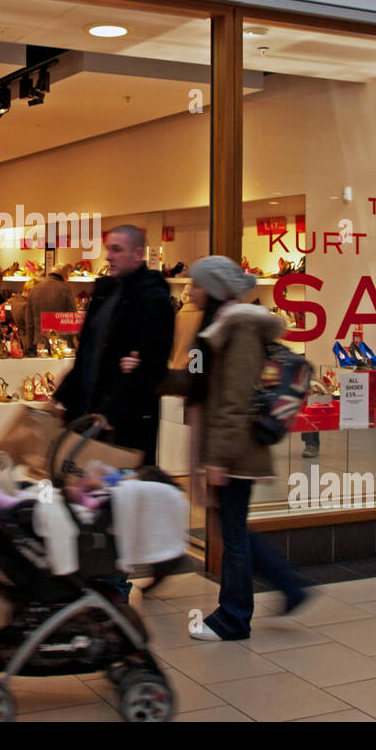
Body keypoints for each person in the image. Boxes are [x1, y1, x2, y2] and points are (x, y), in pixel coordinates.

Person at [164, 257, 307, 639]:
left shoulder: (239, 326)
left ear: (213, 288)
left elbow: (234, 398)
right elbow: (203, 383)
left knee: (232, 533)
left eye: (196, 283)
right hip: (229, 446)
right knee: (231, 528)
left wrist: (218, 458)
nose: (189, 290)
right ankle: (289, 585)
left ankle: (233, 617)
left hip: (237, 449)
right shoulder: (217, 325)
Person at [53, 225, 174, 464]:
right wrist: (65, 392)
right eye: (109, 249)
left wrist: (111, 410)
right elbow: (88, 351)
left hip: (124, 421)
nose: (108, 256)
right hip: (88, 412)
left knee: (118, 489)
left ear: (138, 254)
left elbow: (153, 365)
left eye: (117, 250)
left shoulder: (153, 299)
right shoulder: (105, 294)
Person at [24, 265, 78, 350]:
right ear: (64, 276)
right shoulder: (66, 289)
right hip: (61, 344)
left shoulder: (34, 290)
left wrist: (29, 344)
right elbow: (73, 318)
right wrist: (75, 343)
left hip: (40, 343)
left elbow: (29, 322)